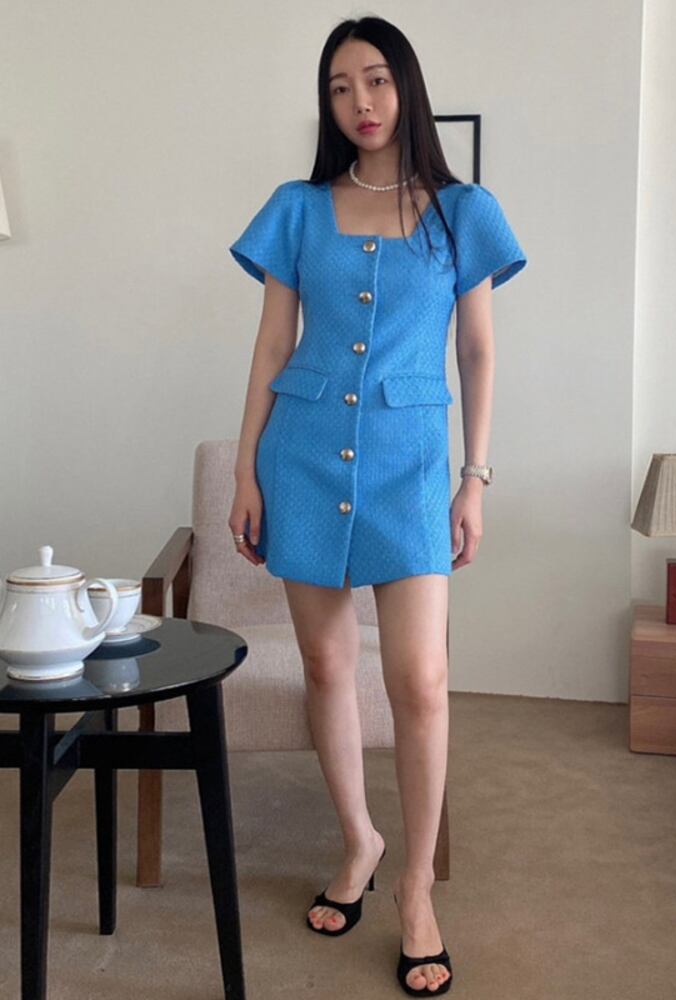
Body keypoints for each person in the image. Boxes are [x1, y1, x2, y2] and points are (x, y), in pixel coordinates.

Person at [227, 15, 527, 997]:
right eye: (340, 86)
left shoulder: (462, 210)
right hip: (304, 454)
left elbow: (477, 351)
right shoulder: (297, 208)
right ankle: (358, 839)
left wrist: (475, 476)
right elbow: (272, 347)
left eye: (377, 80)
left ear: (407, 87)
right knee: (324, 662)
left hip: (411, 464)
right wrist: (246, 471)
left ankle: (415, 886)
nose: (360, 101)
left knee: (420, 680)